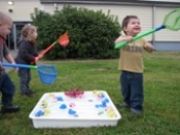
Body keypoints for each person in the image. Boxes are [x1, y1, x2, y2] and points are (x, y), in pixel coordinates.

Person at [115, 15, 155, 115]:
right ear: (125, 28)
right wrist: (125, 39)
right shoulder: (122, 37)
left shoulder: (141, 39)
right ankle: (127, 102)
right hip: (124, 70)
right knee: (125, 89)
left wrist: (150, 46)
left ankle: (136, 108)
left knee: (136, 91)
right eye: (133, 23)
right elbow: (116, 43)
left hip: (137, 71)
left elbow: (150, 50)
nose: (137, 24)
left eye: (138, 23)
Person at [0, 11, 20, 113]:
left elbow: (6, 52)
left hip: (1, 72)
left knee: (9, 88)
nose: (10, 31)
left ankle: (7, 106)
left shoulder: (2, 39)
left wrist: (13, 63)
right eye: (8, 28)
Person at [16, 24, 41, 97]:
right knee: (24, 77)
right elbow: (24, 54)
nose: (36, 34)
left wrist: (38, 55)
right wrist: (33, 58)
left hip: (27, 63)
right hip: (22, 63)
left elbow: (33, 52)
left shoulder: (32, 42)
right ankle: (23, 92)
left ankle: (26, 89)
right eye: (35, 32)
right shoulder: (24, 43)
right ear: (29, 34)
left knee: (28, 77)